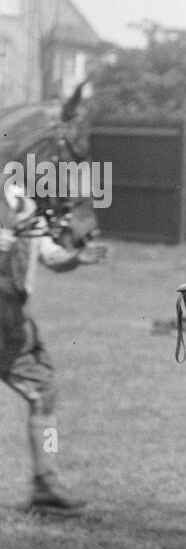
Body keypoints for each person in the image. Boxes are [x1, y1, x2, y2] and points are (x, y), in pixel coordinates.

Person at [1, 181, 106, 513]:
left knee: (43, 389)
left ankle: (46, 482)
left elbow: (48, 253)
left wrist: (77, 257)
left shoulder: (21, 199)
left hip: (11, 317)